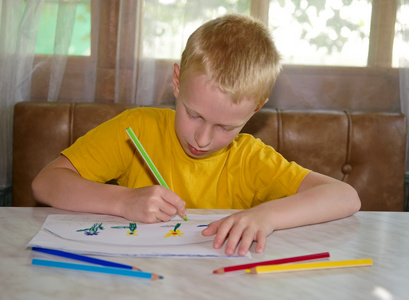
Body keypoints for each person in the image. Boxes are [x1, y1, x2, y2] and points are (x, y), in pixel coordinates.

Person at [32, 14, 361, 256]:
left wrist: (267, 216)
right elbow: (45, 183)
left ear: (257, 108)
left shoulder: (249, 158)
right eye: (194, 114)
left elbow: (345, 196)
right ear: (177, 81)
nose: (202, 139)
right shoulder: (136, 129)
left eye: (226, 127)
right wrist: (123, 201)